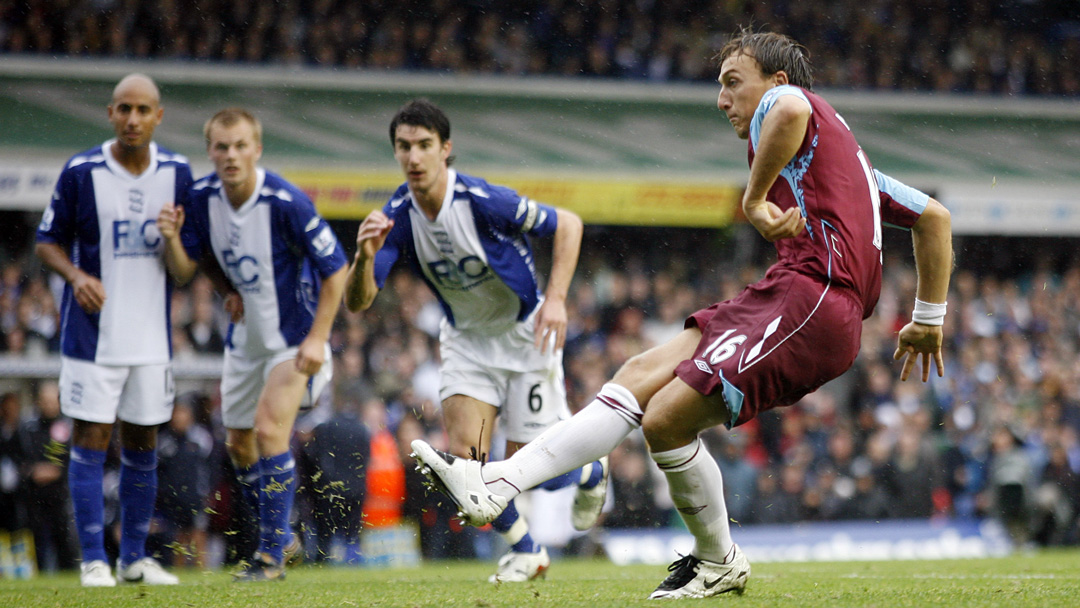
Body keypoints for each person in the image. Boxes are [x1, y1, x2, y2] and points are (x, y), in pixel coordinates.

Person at [411, 29, 953, 599]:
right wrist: (928, 316)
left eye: (732, 83)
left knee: (666, 417)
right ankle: (495, 484)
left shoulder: (791, 104)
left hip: (814, 299)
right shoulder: (855, 167)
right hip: (791, 292)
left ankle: (713, 558)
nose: (722, 100)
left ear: (775, 79)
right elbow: (934, 218)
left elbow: (790, 109)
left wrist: (753, 197)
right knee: (640, 376)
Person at [344, 98, 609, 583]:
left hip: (526, 333)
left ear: (445, 149)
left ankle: (590, 472)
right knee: (467, 464)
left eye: (424, 145)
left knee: (536, 467)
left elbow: (568, 224)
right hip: (466, 340)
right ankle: (527, 551)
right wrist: (363, 258)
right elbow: (358, 302)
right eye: (404, 147)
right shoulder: (396, 216)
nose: (414, 157)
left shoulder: (483, 200)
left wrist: (557, 298)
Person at [157, 107, 348, 581]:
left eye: (241, 145)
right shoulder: (200, 198)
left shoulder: (285, 201)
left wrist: (319, 339)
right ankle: (281, 532)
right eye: (221, 147)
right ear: (211, 152)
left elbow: (336, 270)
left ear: (257, 149)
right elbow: (185, 270)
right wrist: (202, 269)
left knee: (268, 433)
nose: (231, 155)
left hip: (294, 341)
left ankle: (268, 557)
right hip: (245, 342)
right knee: (239, 444)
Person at [35, 73, 189, 587]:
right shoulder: (81, 170)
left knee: (143, 444)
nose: (132, 119)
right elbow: (45, 241)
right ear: (110, 113)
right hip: (91, 337)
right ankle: (93, 561)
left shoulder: (178, 173)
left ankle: (135, 560)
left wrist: (172, 240)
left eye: (143, 110)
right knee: (91, 440)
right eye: (124, 109)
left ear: (158, 116)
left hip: (151, 340)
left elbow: (186, 270)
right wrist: (76, 275)